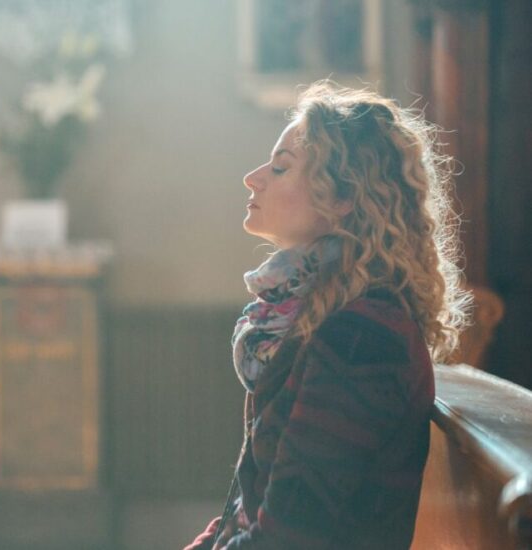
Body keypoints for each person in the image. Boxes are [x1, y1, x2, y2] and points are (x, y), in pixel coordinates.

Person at [185, 82, 471, 550]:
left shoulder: (362, 337)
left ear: (343, 197)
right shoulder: (318, 315)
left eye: (280, 168)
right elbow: (247, 509)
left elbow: (291, 536)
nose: (253, 178)